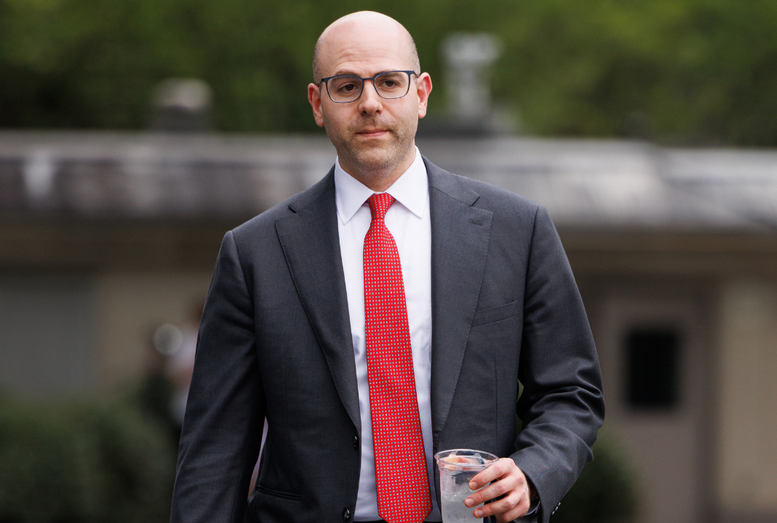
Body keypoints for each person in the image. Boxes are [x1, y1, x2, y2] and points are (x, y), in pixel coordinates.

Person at [170, 11, 603, 523]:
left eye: (389, 83)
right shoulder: (254, 254)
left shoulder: (517, 230)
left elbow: (572, 391)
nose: (370, 103)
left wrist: (533, 472)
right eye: (347, 86)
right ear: (317, 103)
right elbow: (215, 450)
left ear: (421, 94)